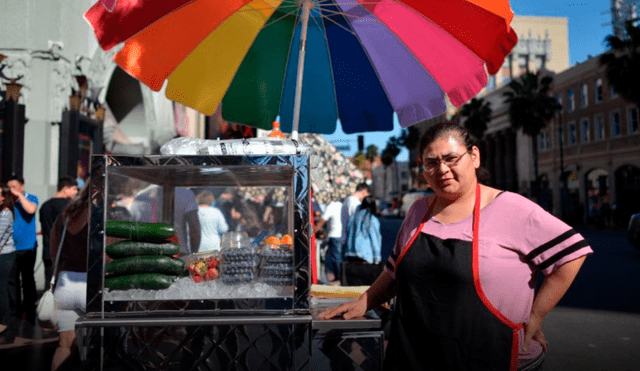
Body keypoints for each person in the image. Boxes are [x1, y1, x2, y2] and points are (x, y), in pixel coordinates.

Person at [320, 122, 593, 371]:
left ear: (474, 156)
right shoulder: (418, 211)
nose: (442, 170)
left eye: (451, 159)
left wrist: (535, 316)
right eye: (431, 163)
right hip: (418, 357)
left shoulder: (511, 208)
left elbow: (571, 255)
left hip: (493, 360)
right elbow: (394, 271)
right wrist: (362, 303)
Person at [50, 181, 91, 370]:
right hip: (91, 284)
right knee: (90, 345)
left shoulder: (63, 217)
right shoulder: (99, 217)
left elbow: (53, 249)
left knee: (64, 344)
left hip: (65, 282)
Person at [7, 175, 39, 335]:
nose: (11, 189)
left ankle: (30, 311)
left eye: (14, 186)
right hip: (10, 248)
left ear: (21, 185)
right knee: (11, 280)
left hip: (27, 247)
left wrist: (19, 196)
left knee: (27, 279)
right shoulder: (7, 201)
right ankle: (14, 311)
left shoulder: (30, 197)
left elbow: (31, 210)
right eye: (9, 187)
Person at [39, 177, 78, 289]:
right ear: (65, 188)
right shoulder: (69, 206)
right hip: (64, 254)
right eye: (74, 189)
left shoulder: (45, 206)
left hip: (48, 251)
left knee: (49, 286)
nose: (76, 192)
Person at [0, 184, 19, 345]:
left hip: (5, 256)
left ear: (3, 198)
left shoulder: (6, 213)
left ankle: (5, 324)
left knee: (2, 289)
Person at [312, 194, 343, 283]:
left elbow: (322, 221)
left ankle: (338, 277)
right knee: (338, 256)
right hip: (341, 234)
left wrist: (312, 231)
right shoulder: (341, 205)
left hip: (334, 235)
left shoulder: (331, 206)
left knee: (335, 257)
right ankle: (339, 276)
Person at [344, 195, 382, 265]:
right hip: (364, 255)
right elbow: (375, 239)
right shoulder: (371, 219)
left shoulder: (353, 217)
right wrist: (377, 257)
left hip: (350, 253)